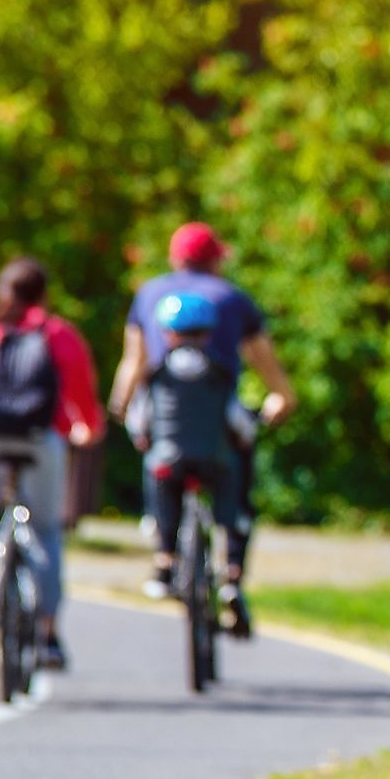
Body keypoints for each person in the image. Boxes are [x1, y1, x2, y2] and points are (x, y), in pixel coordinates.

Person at [109, 221, 296, 618]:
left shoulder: (148, 294)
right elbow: (263, 359)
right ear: (214, 261)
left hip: (164, 421)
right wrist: (281, 397)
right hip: (217, 422)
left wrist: (121, 407)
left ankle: (163, 559)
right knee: (237, 476)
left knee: (158, 464)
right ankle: (232, 575)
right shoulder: (233, 299)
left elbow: (133, 362)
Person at [0, 257, 105, 672]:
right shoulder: (57, 333)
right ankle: (49, 635)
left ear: (2, 291)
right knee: (46, 529)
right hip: (39, 440)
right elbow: (82, 394)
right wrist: (87, 427)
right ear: (44, 293)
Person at [135, 291, 252, 625]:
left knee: (155, 471)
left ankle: (164, 559)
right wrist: (245, 436)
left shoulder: (156, 375)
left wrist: (143, 438)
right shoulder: (220, 374)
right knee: (230, 500)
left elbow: (139, 421)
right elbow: (238, 420)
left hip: (168, 461)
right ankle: (231, 569)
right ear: (208, 333)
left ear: (167, 333)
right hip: (214, 461)